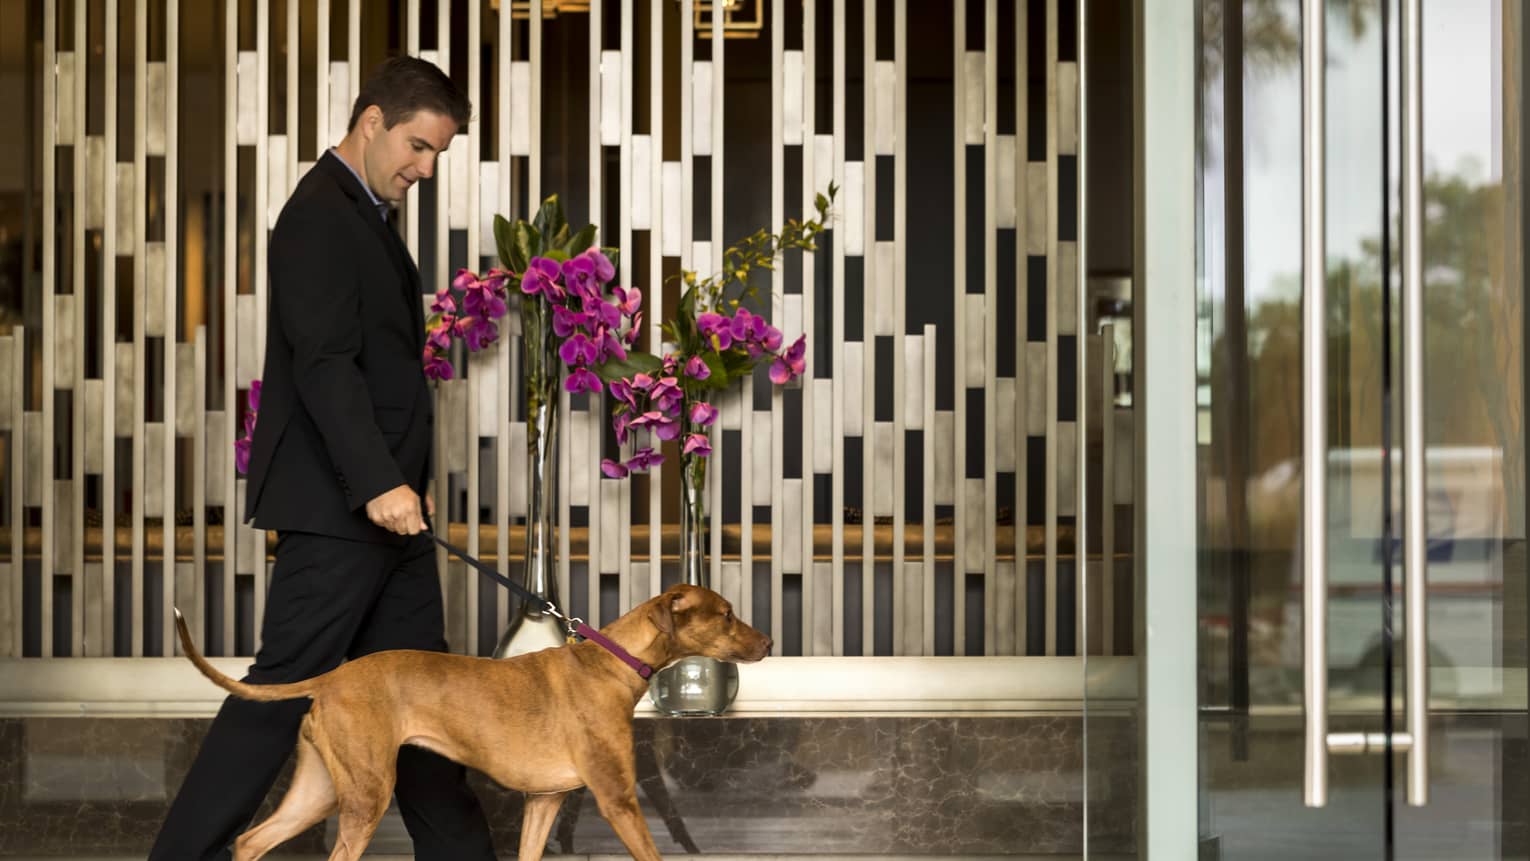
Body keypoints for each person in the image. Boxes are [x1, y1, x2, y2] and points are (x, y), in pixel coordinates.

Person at [149, 56, 497, 860]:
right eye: (417, 146)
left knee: (426, 703)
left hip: (388, 510)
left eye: (438, 153)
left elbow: (375, 370)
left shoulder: (363, 213)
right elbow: (325, 363)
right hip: (339, 508)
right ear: (372, 121)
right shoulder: (317, 214)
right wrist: (377, 481)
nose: (426, 168)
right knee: (276, 695)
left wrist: (403, 483)